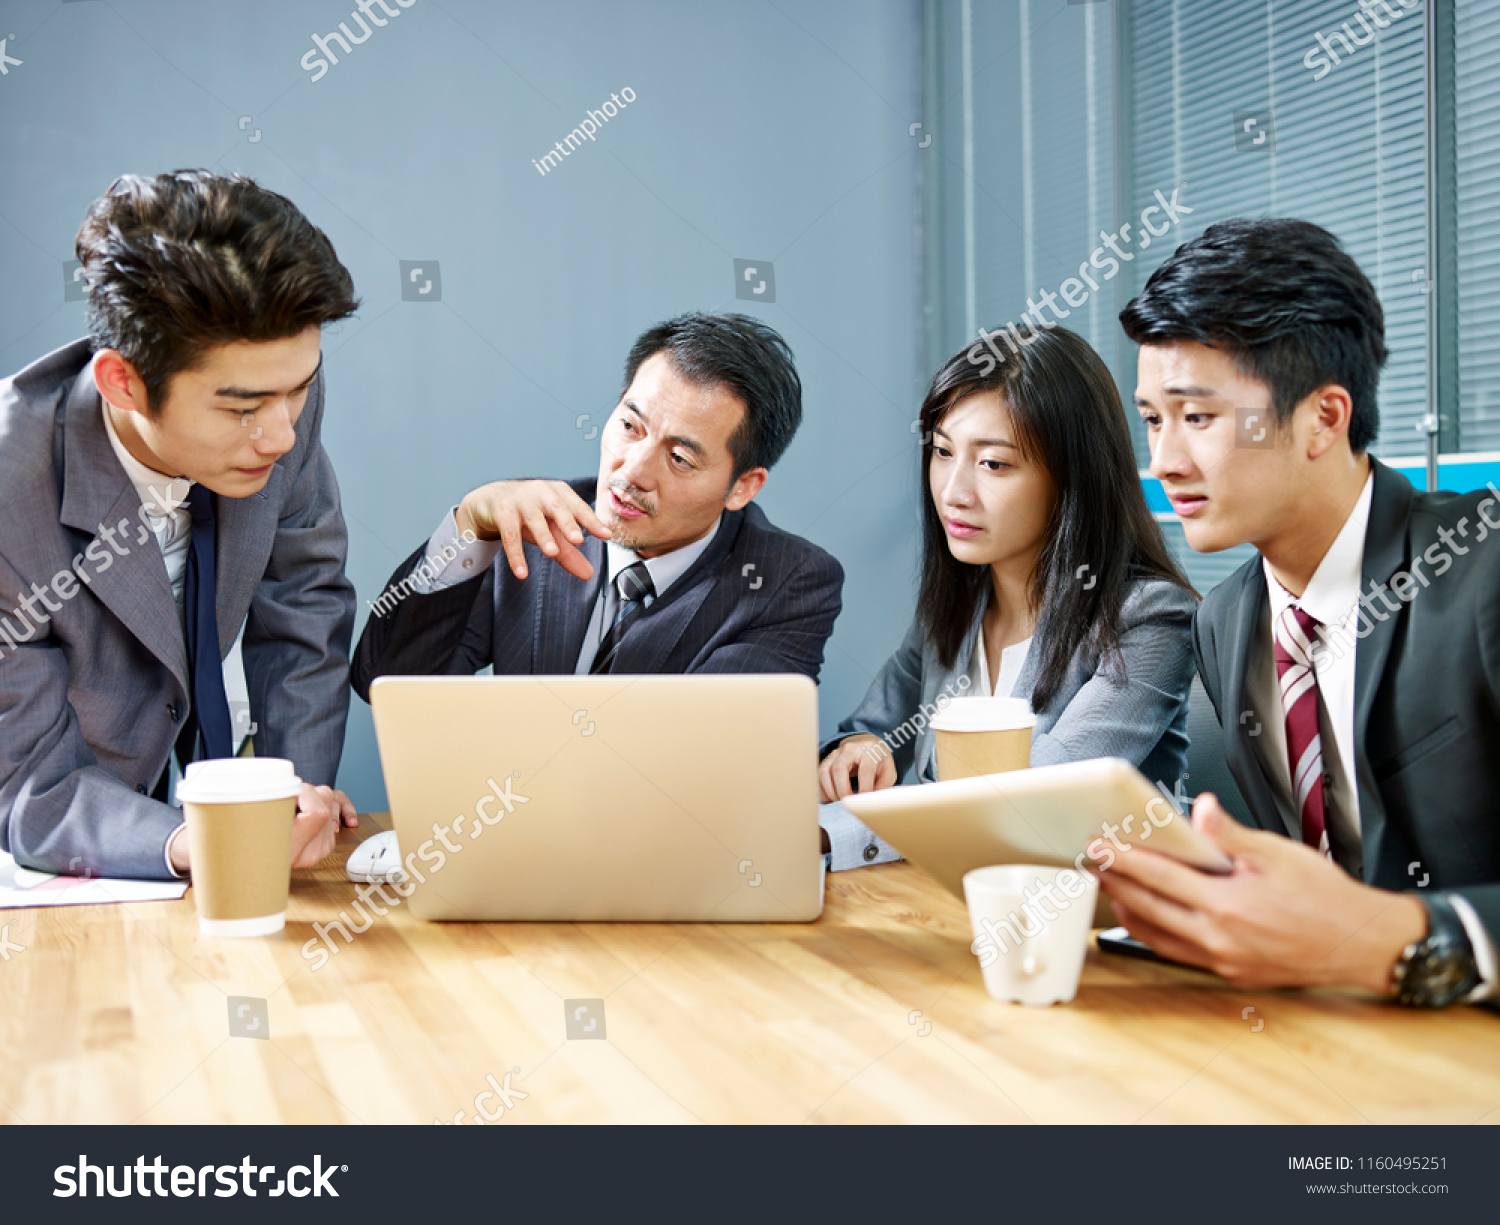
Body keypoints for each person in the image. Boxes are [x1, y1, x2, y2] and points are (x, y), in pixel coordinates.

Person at [1112, 216, 1498, 1007]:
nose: (1164, 461)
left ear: (1324, 417)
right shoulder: (1224, 620)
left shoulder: (1479, 568)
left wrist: (1395, 939)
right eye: (1153, 419)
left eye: (1199, 416)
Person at [0, 170, 361, 881]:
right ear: (123, 382)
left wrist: (289, 806)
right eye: (243, 408)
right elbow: (30, 782)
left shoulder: (275, 398)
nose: (282, 437)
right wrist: (193, 842)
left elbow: (305, 601)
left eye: (302, 388)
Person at [817, 325, 1198, 870]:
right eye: (943, 452)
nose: (954, 491)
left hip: (1101, 927)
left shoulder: (1148, 618)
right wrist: (854, 755)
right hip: (962, 906)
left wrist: (842, 835)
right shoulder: (955, 612)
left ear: (1073, 477)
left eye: (993, 464)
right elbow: (870, 735)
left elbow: (1025, 808)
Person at [351, 312, 842, 695]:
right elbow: (385, 679)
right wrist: (470, 529)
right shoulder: (534, 521)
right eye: (630, 427)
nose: (631, 472)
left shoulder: (786, 580)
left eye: (678, 457)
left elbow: (697, 754)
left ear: (743, 487)